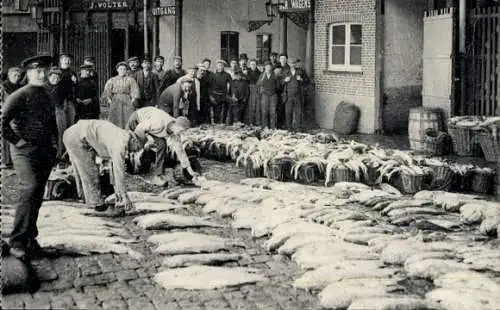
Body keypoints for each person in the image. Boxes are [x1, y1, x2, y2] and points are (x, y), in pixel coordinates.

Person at [2, 55, 58, 259]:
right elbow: (3, 123)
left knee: (38, 194)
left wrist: (55, 146)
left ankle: (30, 241)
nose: (42, 75)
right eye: (38, 72)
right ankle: (16, 241)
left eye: (44, 71)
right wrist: (17, 142)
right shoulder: (19, 95)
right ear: (28, 73)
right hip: (24, 151)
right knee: (30, 189)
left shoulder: (47, 94)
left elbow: (52, 124)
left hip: (44, 150)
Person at [63, 120, 145, 217]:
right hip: (76, 137)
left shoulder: (122, 135)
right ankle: (96, 205)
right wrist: (124, 196)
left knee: (82, 170)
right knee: (89, 171)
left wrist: (118, 193)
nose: (134, 151)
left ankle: (84, 199)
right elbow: (119, 171)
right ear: (134, 140)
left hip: (74, 133)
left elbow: (113, 168)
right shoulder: (120, 145)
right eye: (137, 148)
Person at [126, 107, 199, 186]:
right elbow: (139, 129)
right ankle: (126, 165)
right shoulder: (159, 123)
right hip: (137, 119)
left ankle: (157, 176)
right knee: (134, 146)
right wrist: (143, 144)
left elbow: (180, 151)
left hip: (149, 126)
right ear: (175, 124)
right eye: (180, 130)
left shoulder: (174, 132)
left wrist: (190, 171)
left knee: (162, 144)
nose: (180, 133)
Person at [102, 62, 140, 128]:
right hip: (115, 100)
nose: (122, 71)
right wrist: (110, 100)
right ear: (117, 70)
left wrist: (132, 101)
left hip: (127, 100)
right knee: (115, 118)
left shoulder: (130, 80)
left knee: (128, 117)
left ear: (126, 70)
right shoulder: (112, 80)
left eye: (124, 69)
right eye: (121, 69)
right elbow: (107, 91)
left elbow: (135, 91)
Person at [1, 67, 23, 169]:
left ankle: (14, 160)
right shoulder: (3, 87)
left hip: (17, 115)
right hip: (6, 115)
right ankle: (5, 161)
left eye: (18, 76)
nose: (16, 77)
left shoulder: (20, 87)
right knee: (5, 137)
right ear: (9, 76)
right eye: (14, 75)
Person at [282, 58, 310, 131]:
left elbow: (307, 81)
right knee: (288, 111)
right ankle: (289, 127)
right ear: (288, 63)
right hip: (288, 94)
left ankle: (298, 127)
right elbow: (280, 83)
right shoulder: (285, 72)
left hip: (298, 94)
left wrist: (301, 79)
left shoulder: (300, 71)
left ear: (295, 64)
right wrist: (285, 80)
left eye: (294, 63)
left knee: (298, 111)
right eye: (291, 63)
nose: (292, 65)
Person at [45, 67, 66, 159]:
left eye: (58, 78)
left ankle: (60, 153)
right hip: (46, 112)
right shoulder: (43, 87)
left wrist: (62, 110)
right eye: (53, 77)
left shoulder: (61, 88)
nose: (55, 79)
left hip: (58, 111)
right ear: (49, 77)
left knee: (60, 132)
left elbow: (64, 100)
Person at [256, 61, 280, 129]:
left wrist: (274, 88)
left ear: (271, 68)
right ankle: (265, 127)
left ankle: (273, 127)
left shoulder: (274, 75)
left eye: (269, 67)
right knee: (264, 111)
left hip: (273, 95)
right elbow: (258, 84)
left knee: (273, 112)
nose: (268, 68)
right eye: (267, 67)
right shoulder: (262, 75)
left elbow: (278, 86)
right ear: (265, 67)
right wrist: (262, 79)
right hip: (265, 95)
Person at [58, 53, 78, 133]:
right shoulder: (57, 71)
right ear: (61, 61)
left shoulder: (72, 72)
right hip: (60, 101)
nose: (67, 61)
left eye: (69, 60)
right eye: (65, 59)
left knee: (71, 122)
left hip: (70, 100)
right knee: (61, 124)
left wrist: (75, 82)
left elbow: (76, 87)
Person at [209, 60, 231, 124]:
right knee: (216, 112)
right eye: (218, 65)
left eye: (221, 66)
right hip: (215, 96)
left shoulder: (227, 75)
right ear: (216, 66)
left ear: (223, 67)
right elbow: (209, 86)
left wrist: (231, 94)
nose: (220, 67)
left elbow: (231, 84)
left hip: (224, 96)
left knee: (224, 111)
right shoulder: (213, 75)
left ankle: (223, 123)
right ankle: (216, 124)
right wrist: (211, 96)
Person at [245, 59, 262, 126]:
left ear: (256, 65)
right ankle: (250, 122)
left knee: (257, 106)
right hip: (249, 91)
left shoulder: (259, 73)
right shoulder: (247, 72)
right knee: (250, 106)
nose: (253, 66)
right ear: (249, 65)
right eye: (251, 64)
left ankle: (257, 122)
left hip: (256, 90)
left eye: (254, 64)